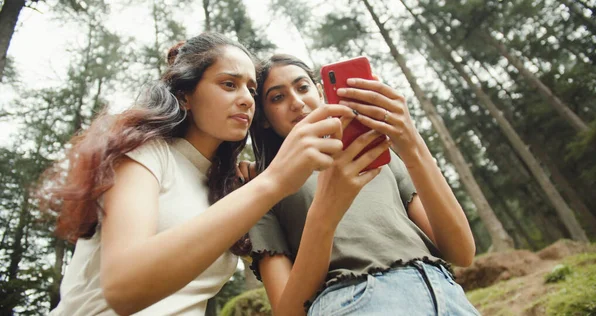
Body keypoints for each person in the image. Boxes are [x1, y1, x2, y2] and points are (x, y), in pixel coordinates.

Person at [45, 34, 356, 316]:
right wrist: (271, 183)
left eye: (251, 89)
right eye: (229, 84)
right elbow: (123, 288)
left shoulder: (228, 187)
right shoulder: (144, 153)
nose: (248, 99)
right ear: (185, 96)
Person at [245, 54, 480, 315]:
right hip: (351, 300)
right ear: (264, 118)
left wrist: (411, 142)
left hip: (445, 294)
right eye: (277, 97)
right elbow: (288, 311)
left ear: (321, 93)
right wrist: (325, 211)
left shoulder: (378, 155)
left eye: (302, 88)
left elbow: (462, 253)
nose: (297, 103)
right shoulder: (262, 187)